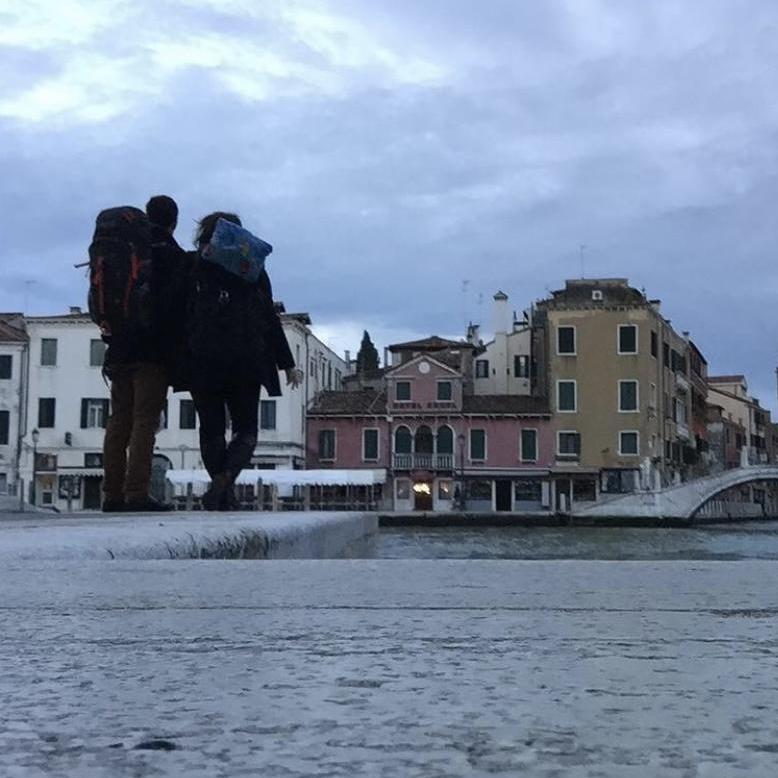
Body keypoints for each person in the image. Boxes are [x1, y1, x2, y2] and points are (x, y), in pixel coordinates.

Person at [187, 211, 299, 510]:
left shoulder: (193, 265)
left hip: (203, 358)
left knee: (210, 429)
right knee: (245, 429)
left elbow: (178, 315)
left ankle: (223, 489)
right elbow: (268, 317)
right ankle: (224, 483)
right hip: (247, 359)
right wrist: (287, 362)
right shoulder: (253, 270)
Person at [101, 195, 186, 512]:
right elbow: (176, 307)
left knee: (118, 420)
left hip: (119, 348)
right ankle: (136, 492)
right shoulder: (171, 255)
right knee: (144, 421)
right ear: (173, 221)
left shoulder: (126, 247)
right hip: (152, 351)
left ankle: (111, 494)